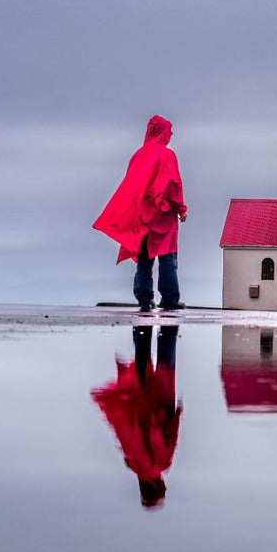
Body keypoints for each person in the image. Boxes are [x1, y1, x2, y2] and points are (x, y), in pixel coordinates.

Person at [93, 115, 188, 312]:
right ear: (162, 132)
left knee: (144, 259)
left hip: (143, 216)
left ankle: (145, 298)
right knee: (167, 257)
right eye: (168, 131)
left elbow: (132, 187)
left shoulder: (137, 155)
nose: (170, 135)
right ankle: (169, 299)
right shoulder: (167, 155)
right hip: (163, 215)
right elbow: (173, 185)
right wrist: (181, 209)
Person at [91, 325, 182, 509]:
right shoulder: (132, 463)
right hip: (140, 401)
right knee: (143, 357)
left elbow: (168, 437)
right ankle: (142, 325)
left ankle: (167, 320)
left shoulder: (161, 464)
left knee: (166, 354)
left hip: (160, 406)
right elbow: (123, 432)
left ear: (159, 485)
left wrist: (177, 414)